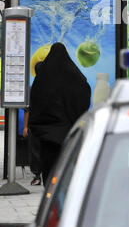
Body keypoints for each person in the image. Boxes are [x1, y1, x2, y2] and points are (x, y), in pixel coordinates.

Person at [28, 42, 91, 186]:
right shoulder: (75, 76)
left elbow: (36, 100)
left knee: (49, 163)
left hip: (47, 133)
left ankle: (49, 186)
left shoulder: (43, 78)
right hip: (68, 131)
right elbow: (84, 94)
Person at [22, 61, 43, 186]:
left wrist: (25, 127)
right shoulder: (52, 85)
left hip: (35, 125)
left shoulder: (32, 87)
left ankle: (37, 176)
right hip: (50, 125)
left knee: (35, 151)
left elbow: (27, 110)